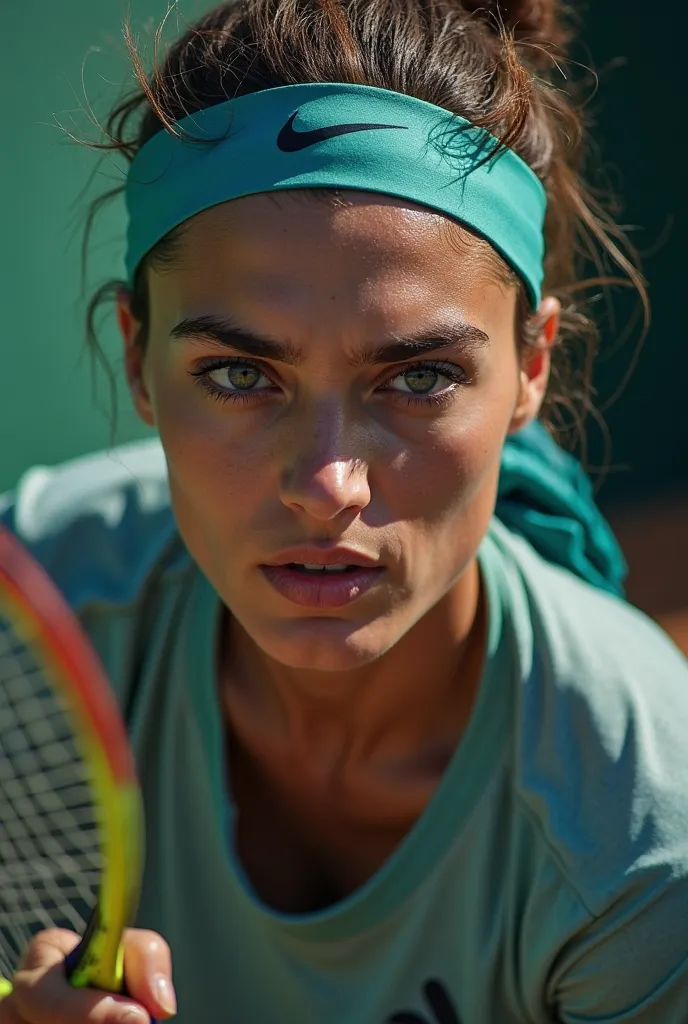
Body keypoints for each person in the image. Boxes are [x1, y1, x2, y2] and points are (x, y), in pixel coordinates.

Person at [1, 0, 687, 1021]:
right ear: (138, 359)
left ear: (531, 368)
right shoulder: (33, 603)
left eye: (417, 379)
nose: (329, 486)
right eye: (240, 373)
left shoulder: (649, 847)